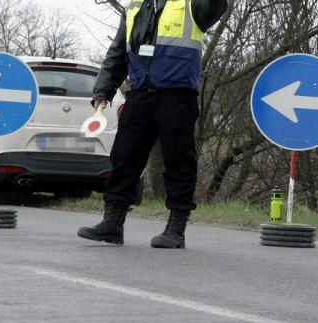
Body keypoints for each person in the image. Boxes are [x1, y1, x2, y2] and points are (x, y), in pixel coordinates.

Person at [77, 0, 229, 249]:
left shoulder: (193, 5)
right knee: (124, 159)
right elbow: (117, 52)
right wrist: (103, 91)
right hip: (140, 94)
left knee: (179, 163)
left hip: (178, 96)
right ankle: (113, 223)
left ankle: (176, 229)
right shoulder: (134, 7)